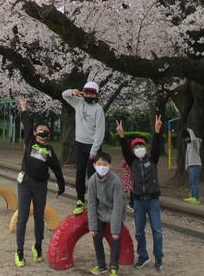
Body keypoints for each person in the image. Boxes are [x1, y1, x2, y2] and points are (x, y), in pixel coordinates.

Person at [14, 96, 65, 268]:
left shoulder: (49, 150)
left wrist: (61, 187)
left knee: (38, 217)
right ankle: (19, 251)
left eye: (45, 130)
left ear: (48, 134)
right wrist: (24, 108)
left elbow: (57, 169)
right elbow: (27, 123)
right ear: (35, 133)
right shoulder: (29, 141)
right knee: (22, 217)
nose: (42, 131)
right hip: (25, 183)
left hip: (40, 186)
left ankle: (37, 247)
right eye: (39, 130)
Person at [117, 116, 164, 271]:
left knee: (157, 231)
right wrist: (122, 136)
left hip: (153, 200)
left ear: (145, 146)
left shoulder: (152, 159)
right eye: (135, 147)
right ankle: (143, 256)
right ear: (133, 150)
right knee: (139, 231)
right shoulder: (132, 162)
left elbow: (157, 147)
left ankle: (158, 259)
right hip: (138, 201)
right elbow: (124, 149)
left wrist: (157, 132)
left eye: (141, 146)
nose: (139, 148)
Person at [62, 82, 106, 215]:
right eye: (87, 92)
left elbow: (100, 131)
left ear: (96, 95)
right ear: (83, 93)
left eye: (92, 93)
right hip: (79, 144)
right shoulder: (78, 103)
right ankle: (80, 200)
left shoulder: (98, 109)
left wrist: (94, 150)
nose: (89, 95)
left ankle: (95, 202)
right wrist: (72, 91)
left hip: (93, 146)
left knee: (93, 176)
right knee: (79, 174)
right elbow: (64, 95)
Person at [87, 151, 124, 276]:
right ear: (94, 165)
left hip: (114, 210)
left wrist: (115, 229)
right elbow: (91, 204)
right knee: (96, 236)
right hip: (100, 212)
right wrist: (92, 226)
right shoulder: (92, 180)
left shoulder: (116, 181)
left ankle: (114, 266)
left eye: (105, 164)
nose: (102, 167)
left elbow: (118, 206)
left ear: (110, 165)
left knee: (116, 237)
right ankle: (101, 265)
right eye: (99, 164)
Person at [183, 128, 202, 204]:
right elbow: (187, 156)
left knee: (194, 182)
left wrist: (190, 130)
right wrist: (186, 166)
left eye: (186, 137)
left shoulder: (195, 142)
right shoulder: (189, 144)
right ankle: (192, 196)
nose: (185, 140)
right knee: (191, 181)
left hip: (196, 165)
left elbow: (193, 139)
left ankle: (196, 198)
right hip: (191, 165)